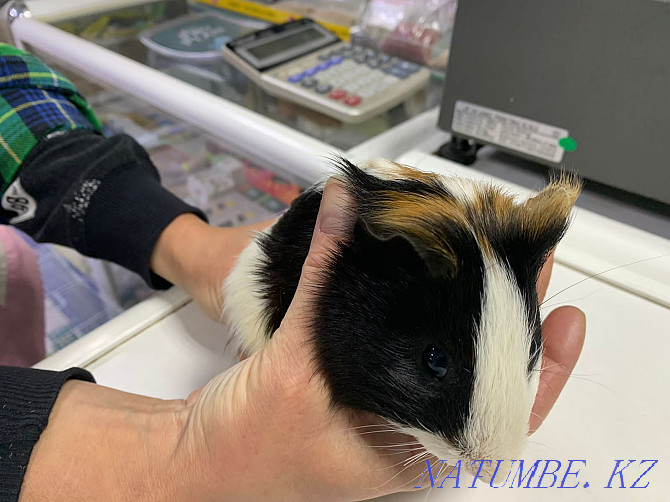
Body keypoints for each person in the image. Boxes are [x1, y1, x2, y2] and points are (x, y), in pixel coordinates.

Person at [0, 45, 586, 501]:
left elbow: (17, 102)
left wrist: (184, 241)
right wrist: (183, 459)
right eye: (436, 360)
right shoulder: (368, 278)